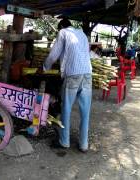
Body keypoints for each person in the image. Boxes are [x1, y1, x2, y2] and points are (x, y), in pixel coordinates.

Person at [42, 18, 92, 152]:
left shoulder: (63, 32)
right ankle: (84, 144)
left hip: (73, 75)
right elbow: (86, 52)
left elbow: (53, 55)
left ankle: (64, 141)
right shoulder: (81, 33)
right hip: (87, 73)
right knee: (85, 111)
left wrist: (45, 67)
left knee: (66, 108)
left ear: (61, 27)